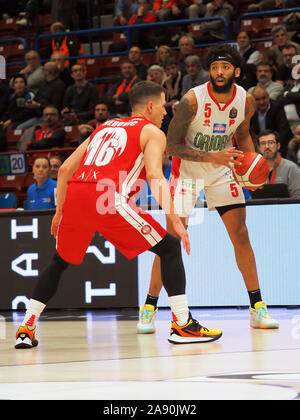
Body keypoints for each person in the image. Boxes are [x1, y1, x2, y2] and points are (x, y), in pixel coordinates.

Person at [15, 80, 225, 349]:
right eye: (162, 106)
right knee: (170, 248)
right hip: (107, 197)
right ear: (149, 106)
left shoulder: (104, 127)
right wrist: (175, 220)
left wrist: (60, 211)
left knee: (59, 262)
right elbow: (154, 176)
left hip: (76, 195)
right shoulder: (152, 132)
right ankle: (183, 325)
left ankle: (27, 327)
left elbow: (66, 169)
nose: (165, 112)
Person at [137, 44, 279, 335]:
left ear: (236, 72)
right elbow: (172, 146)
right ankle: (149, 307)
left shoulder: (245, 100)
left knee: (241, 235)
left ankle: (257, 308)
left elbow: (241, 135)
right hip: (186, 172)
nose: (219, 72)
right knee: (171, 242)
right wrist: (212, 156)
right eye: (214, 67)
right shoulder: (192, 100)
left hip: (223, 170)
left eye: (225, 67)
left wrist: (248, 170)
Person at [257, 129, 300, 198]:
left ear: (278, 146)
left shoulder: (291, 168)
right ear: (259, 148)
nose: (267, 146)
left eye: (271, 142)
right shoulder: (255, 170)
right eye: (263, 143)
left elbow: (297, 198)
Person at [250, 86, 293, 157]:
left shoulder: (277, 107)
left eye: (264, 98)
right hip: (262, 143)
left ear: (268, 96)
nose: (261, 102)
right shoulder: (251, 110)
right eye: (257, 99)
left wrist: (278, 149)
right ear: (253, 100)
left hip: (279, 143)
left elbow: (283, 131)